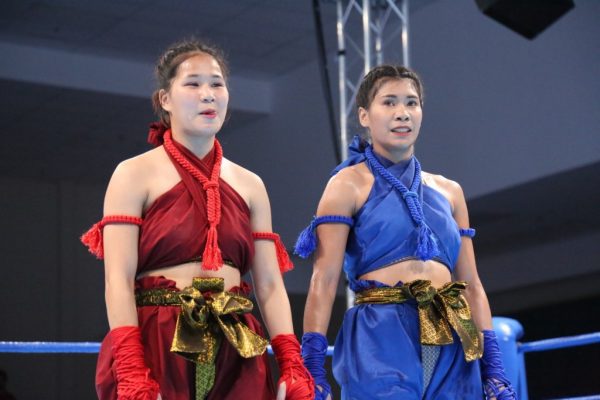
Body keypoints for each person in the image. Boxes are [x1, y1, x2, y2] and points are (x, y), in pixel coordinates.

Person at [81, 38, 313, 400]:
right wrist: (131, 370)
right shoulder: (133, 174)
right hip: (159, 338)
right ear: (165, 99)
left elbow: (269, 284)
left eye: (217, 84)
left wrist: (292, 363)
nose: (208, 94)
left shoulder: (251, 184)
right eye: (193, 83)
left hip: (237, 340)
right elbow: (118, 279)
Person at [295, 65, 516, 399]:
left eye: (411, 103)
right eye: (389, 102)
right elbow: (323, 281)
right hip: (380, 333)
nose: (402, 113)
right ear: (364, 115)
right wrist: (311, 366)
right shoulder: (346, 185)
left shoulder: (450, 191)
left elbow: (471, 284)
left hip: (452, 329)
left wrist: (494, 367)